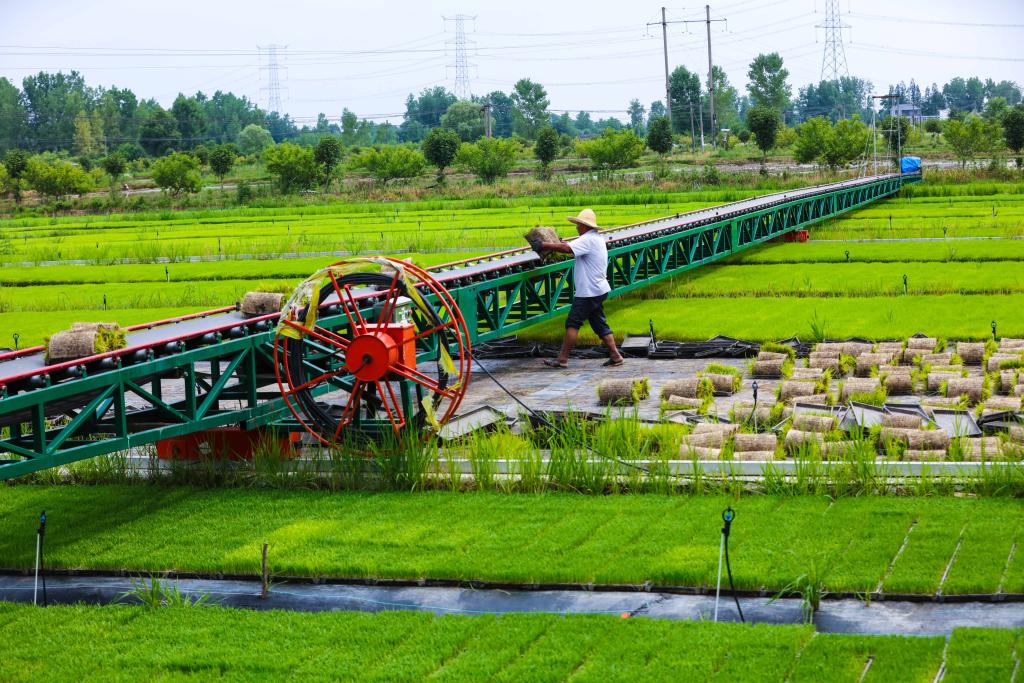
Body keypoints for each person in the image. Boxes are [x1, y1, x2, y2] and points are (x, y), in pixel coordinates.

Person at [539, 208, 624, 369]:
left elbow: (567, 249)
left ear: (585, 226)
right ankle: (616, 356)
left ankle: (562, 359)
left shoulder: (588, 239)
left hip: (588, 291)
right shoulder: (596, 238)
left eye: (578, 224)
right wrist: (562, 244)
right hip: (599, 289)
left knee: (573, 323)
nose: (577, 227)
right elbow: (570, 247)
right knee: (599, 323)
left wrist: (543, 244)